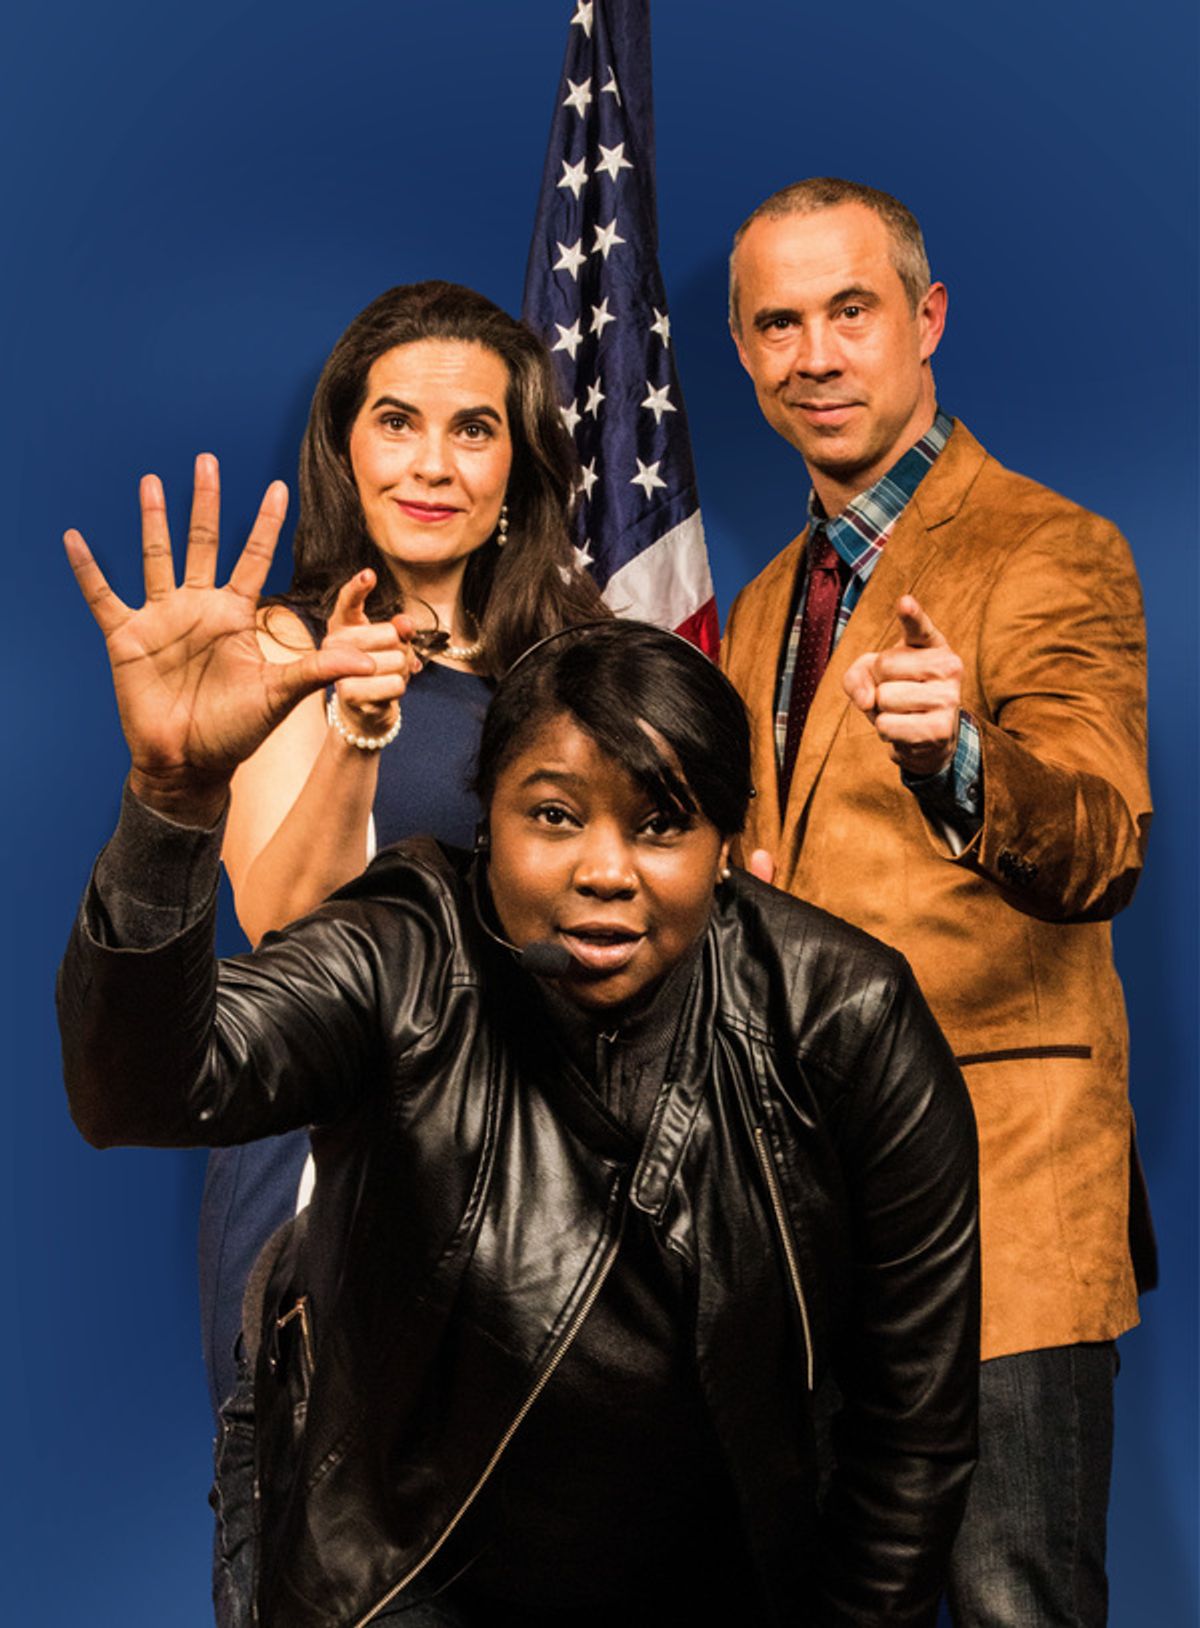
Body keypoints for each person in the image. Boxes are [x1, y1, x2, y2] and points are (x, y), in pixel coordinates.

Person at [58, 481, 979, 1627]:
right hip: (399, 1579)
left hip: (726, 1581)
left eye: (660, 822)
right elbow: (142, 1088)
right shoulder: (404, 943)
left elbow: (914, 1431)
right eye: (552, 815)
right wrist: (174, 798)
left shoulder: (845, 1011)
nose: (604, 868)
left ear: (729, 846)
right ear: (482, 816)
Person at [721, 175, 1153, 1626]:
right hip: (807, 1240)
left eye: (851, 311)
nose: (817, 354)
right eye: (778, 324)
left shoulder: (1054, 547)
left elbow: (1101, 838)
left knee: (1009, 1605)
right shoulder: (768, 601)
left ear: (927, 320)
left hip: (1004, 1219)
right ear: (742, 354)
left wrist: (959, 759)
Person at [199, 280, 610, 1435]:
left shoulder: (576, 673)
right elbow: (289, 923)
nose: (432, 464)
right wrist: (354, 727)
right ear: (346, 446)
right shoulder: (281, 648)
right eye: (398, 422)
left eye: (473, 428)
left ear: (518, 473)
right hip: (337, 1172)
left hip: (546, 1181)